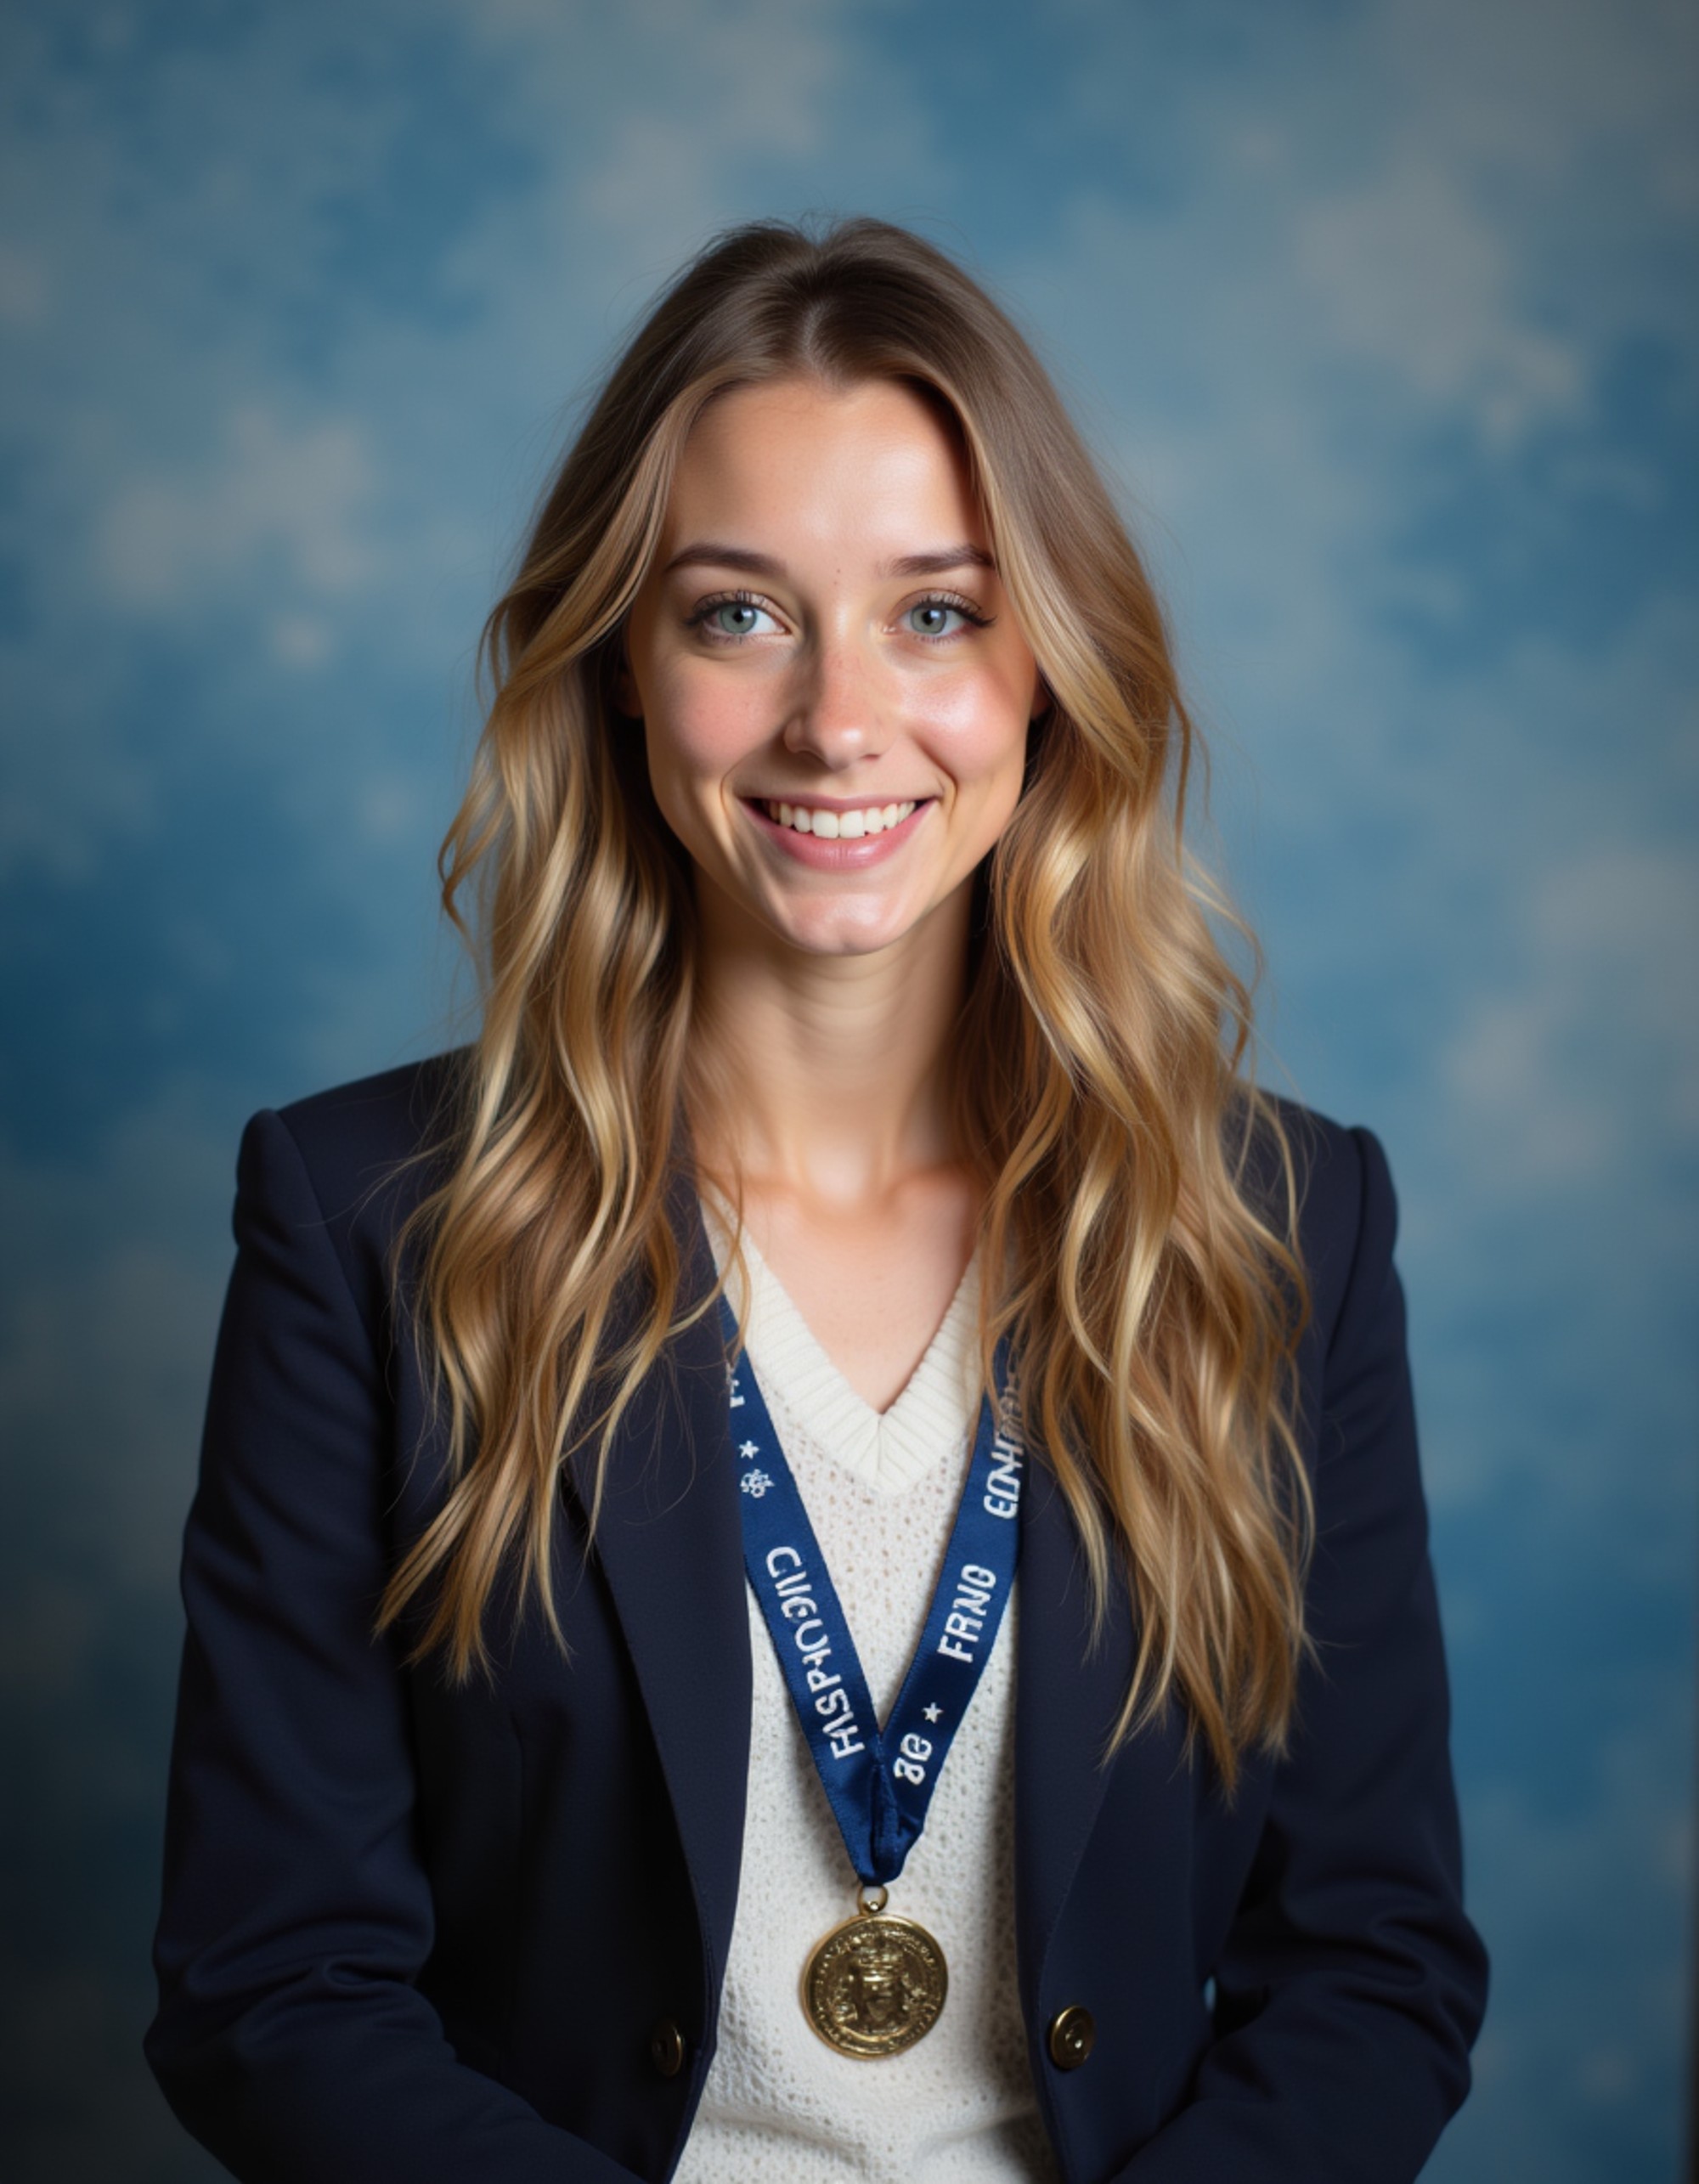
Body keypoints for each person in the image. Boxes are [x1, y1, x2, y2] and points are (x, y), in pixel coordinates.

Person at [145, 217, 1488, 2184]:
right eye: (738, 614)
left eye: (936, 612)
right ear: (618, 663)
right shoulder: (363, 1223)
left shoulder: (1282, 1228)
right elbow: (272, 1983)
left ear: (1054, 667)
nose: (838, 721)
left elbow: (1370, 1969)